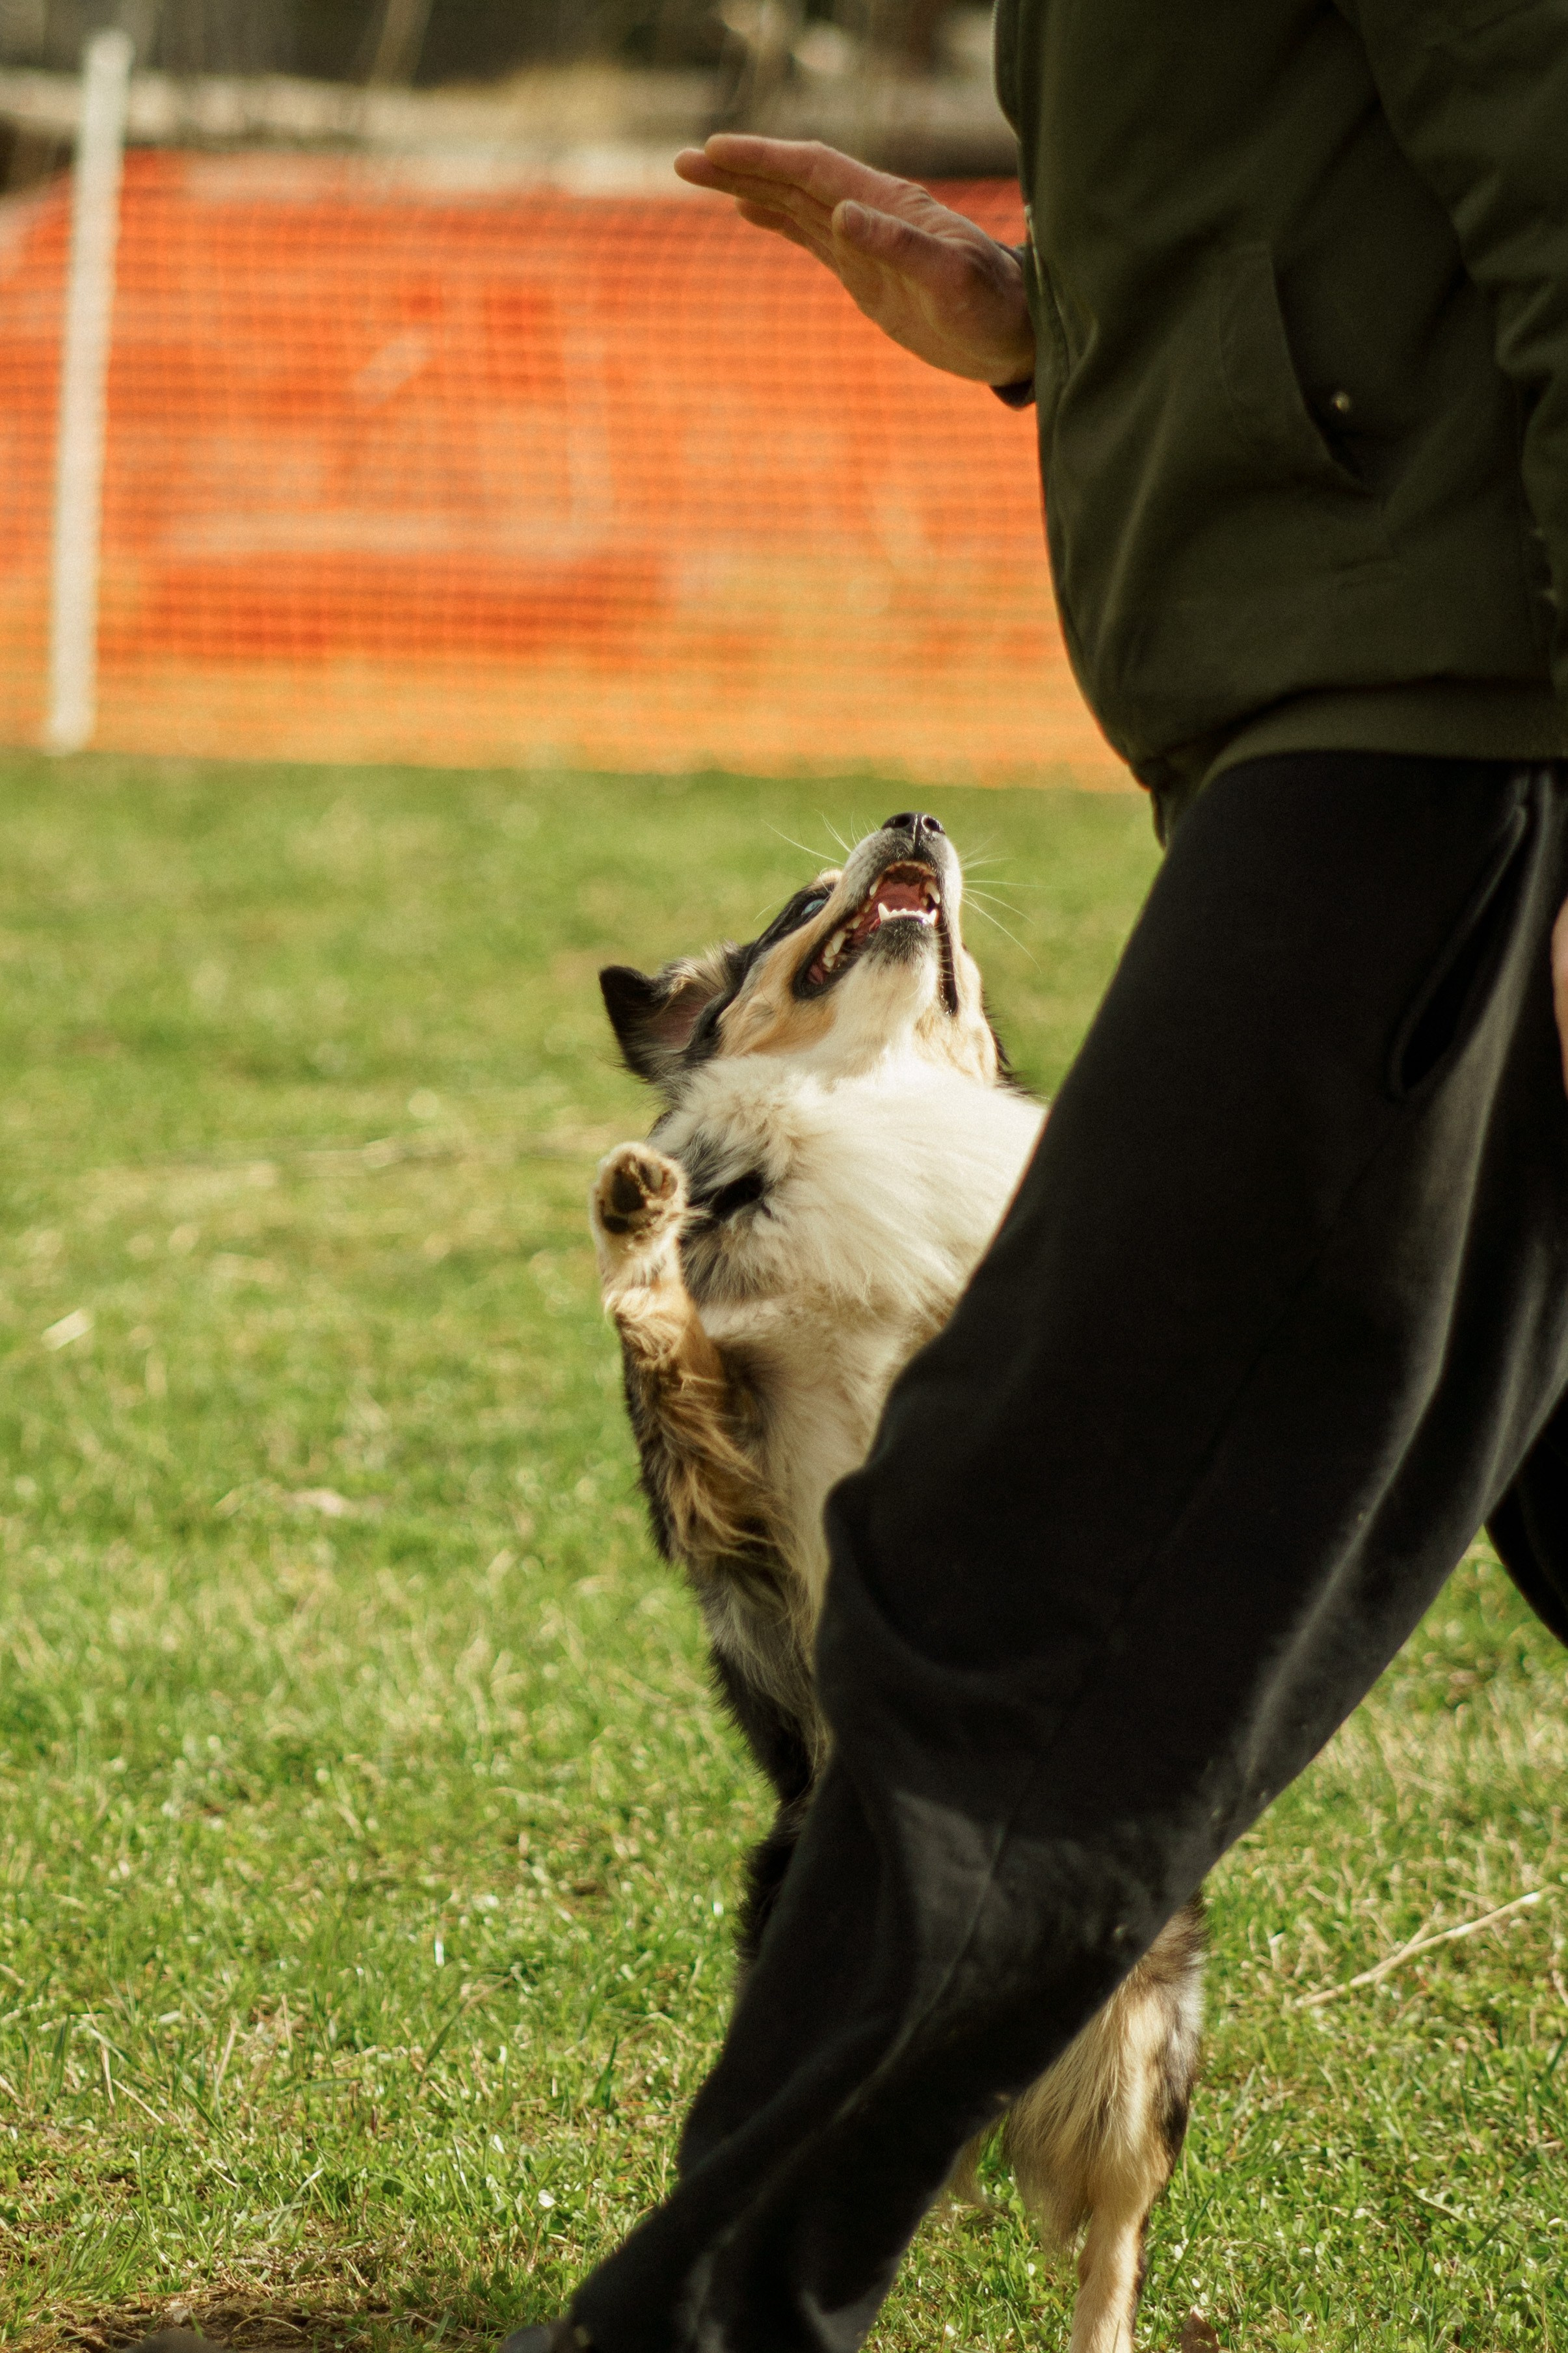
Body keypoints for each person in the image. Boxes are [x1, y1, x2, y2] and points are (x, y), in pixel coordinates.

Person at [505, 6, 1568, 2349]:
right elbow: (1332, 223)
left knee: (1006, 1605)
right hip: (1360, 720)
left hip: (1440, 759)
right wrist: (1055, 338)